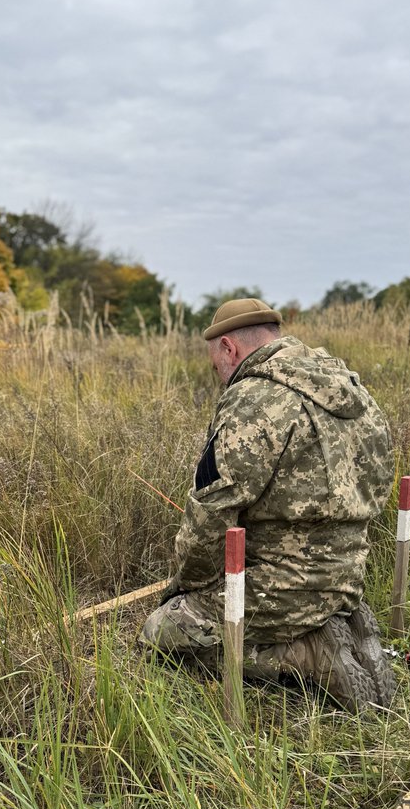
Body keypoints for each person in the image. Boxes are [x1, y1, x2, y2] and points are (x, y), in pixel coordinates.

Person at [140, 297, 395, 712]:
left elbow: (211, 513)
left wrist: (182, 590)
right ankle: (343, 623)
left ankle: (304, 656)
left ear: (229, 348)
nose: (220, 378)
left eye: (216, 365)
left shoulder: (253, 400)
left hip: (280, 583)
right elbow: (380, 481)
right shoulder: (348, 387)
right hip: (349, 574)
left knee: (161, 633)